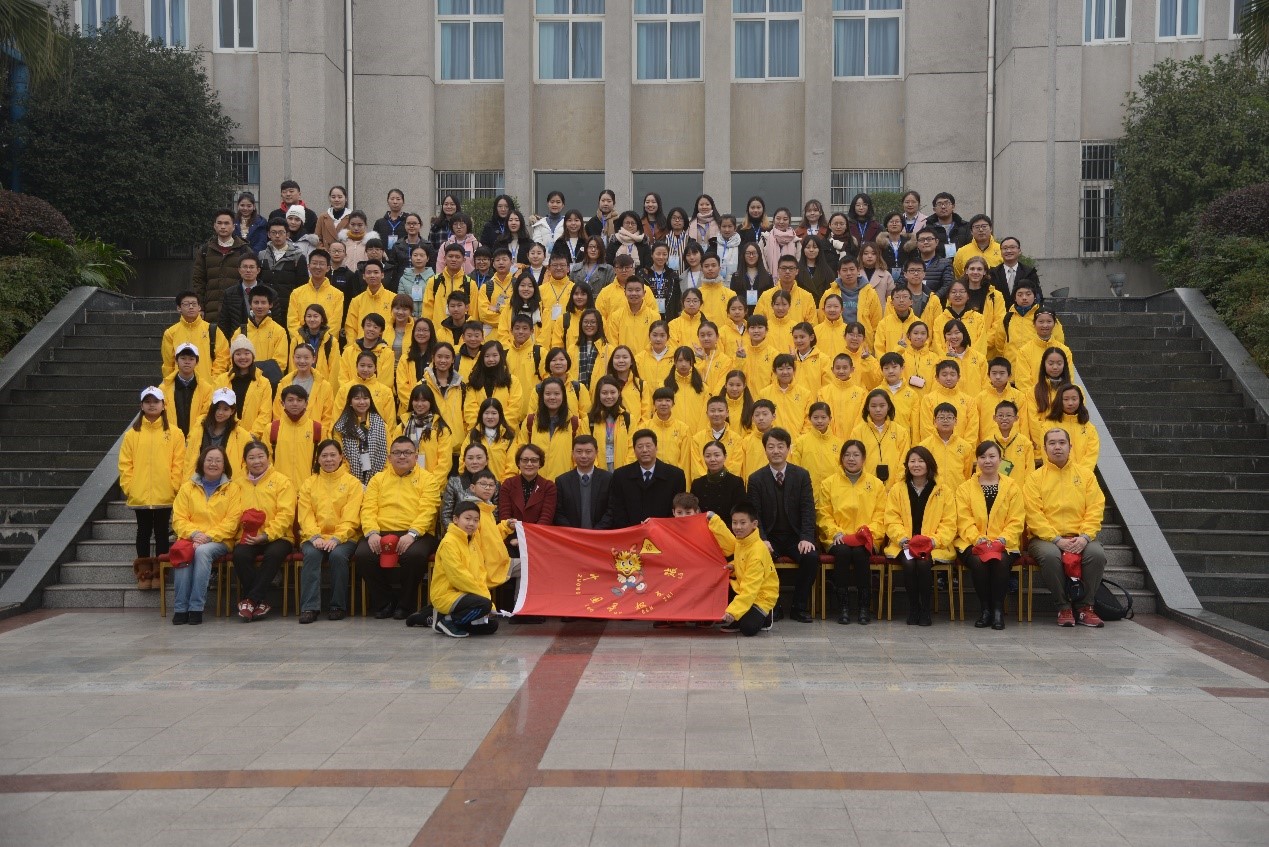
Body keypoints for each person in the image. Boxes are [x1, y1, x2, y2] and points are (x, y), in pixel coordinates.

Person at [1024, 428, 1108, 628]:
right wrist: (1056, 539)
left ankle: (1085, 607)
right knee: (1050, 556)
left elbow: (1095, 508)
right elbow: (1033, 514)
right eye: (1052, 443)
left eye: (1062, 443)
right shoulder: (1035, 478)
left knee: (1096, 554)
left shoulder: (1086, 476)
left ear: (1070, 446)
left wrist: (1085, 536)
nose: (1057, 447)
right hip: (1044, 539)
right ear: (1045, 448)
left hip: (1079, 535)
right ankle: (1063, 607)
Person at [356, 436, 442, 620]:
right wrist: (372, 533)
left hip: (417, 533)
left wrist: (412, 534)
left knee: (414, 556)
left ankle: (405, 604)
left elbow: (428, 510)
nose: (402, 456)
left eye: (407, 452)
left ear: (416, 456)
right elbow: (368, 508)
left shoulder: (429, 480)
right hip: (381, 531)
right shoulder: (377, 479)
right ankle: (384, 602)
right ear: (389, 457)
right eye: (397, 453)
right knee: (363, 554)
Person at [745, 427, 819, 622]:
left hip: (795, 536)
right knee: (760, 556)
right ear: (765, 450)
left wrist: (806, 537)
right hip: (770, 537)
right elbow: (755, 515)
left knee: (811, 557)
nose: (776, 451)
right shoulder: (756, 479)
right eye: (771, 447)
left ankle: (798, 607)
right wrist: (762, 539)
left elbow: (808, 509)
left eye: (780, 446)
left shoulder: (801, 475)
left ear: (788, 449)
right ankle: (774, 606)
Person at [120, 387, 186, 591]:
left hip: (164, 492)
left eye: (155, 401)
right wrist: (130, 488)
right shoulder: (132, 434)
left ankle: (160, 572)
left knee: (162, 532)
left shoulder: (175, 433)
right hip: (140, 494)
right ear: (141, 405)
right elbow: (125, 464)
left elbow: (179, 463)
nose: (151, 405)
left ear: (163, 405)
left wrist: (173, 486)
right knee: (143, 532)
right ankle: (143, 573)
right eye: (147, 402)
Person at [883, 446, 957, 626]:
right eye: (912, 461)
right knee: (909, 564)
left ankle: (925, 610)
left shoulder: (943, 490)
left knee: (923, 564)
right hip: (905, 544)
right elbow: (891, 519)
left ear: (929, 464)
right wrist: (902, 539)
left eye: (921, 461)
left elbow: (949, 523)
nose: (916, 465)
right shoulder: (897, 489)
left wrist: (933, 541)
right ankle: (913, 608)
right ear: (907, 465)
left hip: (933, 545)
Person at [956, 441, 1026, 631]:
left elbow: (1016, 519)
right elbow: (963, 519)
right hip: (972, 542)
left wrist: (1002, 539)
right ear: (977, 460)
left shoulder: (1012, 487)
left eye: (992, 456)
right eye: (983, 457)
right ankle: (985, 609)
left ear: (1000, 460)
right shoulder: (965, 488)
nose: (987, 461)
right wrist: (977, 538)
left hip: (1004, 543)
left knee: (1000, 561)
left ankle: (997, 610)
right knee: (979, 562)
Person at [170, 445, 242, 625]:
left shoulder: (233, 489)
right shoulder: (187, 488)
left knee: (202, 552)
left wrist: (207, 537)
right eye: (209, 460)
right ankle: (180, 608)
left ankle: (196, 608)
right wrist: (195, 534)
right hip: (190, 538)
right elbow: (178, 519)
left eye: (218, 460)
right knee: (183, 554)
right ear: (202, 463)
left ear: (224, 465)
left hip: (220, 540)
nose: (213, 464)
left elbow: (232, 521)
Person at [817, 440, 886, 624]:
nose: (851, 459)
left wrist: (867, 533)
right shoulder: (828, 483)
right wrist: (835, 533)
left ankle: (864, 607)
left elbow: (881, 515)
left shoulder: (876, 484)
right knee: (843, 552)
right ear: (841, 458)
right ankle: (844, 607)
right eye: (847, 455)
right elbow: (823, 514)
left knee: (861, 553)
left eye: (856, 455)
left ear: (864, 458)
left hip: (866, 538)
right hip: (837, 538)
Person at [297, 439, 362, 623]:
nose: (329, 459)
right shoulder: (309, 483)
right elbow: (305, 515)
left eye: (333, 455)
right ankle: (309, 607)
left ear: (341, 457)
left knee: (338, 556)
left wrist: (337, 538)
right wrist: (314, 536)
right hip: (314, 537)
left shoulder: (352, 483)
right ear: (318, 459)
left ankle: (337, 606)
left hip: (345, 538)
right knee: (311, 554)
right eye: (324, 456)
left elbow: (351, 517)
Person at [231, 441, 297, 622]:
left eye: (260, 456)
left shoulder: (282, 481)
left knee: (274, 554)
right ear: (245, 461)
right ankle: (260, 602)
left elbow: (286, 514)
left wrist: (266, 535)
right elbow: (232, 512)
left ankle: (251, 600)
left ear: (268, 458)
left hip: (279, 536)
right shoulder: (237, 484)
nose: (257, 461)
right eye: (251, 458)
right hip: (248, 536)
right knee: (240, 555)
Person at [427, 501, 504, 638]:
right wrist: (486, 600)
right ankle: (447, 621)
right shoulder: (449, 543)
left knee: (492, 625)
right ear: (456, 519)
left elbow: (480, 573)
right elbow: (458, 577)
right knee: (484, 605)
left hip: (466, 593)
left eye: (476, 520)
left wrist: (487, 600)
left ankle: (441, 619)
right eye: (467, 519)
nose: (471, 523)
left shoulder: (472, 541)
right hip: (446, 594)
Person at [600, 429, 687, 528]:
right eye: (640, 446)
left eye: (648, 446)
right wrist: (634, 530)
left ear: (656, 447)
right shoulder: (620, 475)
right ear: (634, 450)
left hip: (664, 532)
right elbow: (617, 510)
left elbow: (678, 510)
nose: (644, 450)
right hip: (631, 533)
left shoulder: (675, 476)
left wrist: (659, 528)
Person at [719, 501, 780, 636]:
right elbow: (743, 561)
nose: (738, 527)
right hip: (745, 589)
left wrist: (733, 612)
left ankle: (766, 616)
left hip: (761, 596)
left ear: (754, 524)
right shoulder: (741, 541)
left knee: (748, 629)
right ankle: (741, 615)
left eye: (743, 523)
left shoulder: (757, 551)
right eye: (734, 522)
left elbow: (751, 588)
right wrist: (733, 566)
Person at [191, 209, 254, 326]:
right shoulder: (205, 250)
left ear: (233, 226)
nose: (223, 227)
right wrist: (200, 306)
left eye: (226, 223)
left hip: (238, 309)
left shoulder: (244, 250)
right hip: (211, 309)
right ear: (214, 226)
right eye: (219, 223)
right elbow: (198, 280)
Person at [498, 444, 557, 557]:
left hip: (538, 541)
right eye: (525, 460)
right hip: (511, 541)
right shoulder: (508, 484)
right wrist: (513, 538)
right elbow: (505, 516)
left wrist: (529, 539)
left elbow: (546, 518)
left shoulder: (548, 486)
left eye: (534, 460)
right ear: (518, 463)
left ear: (540, 463)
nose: (529, 464)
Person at [162, 291, 230, 384]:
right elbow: (168, 364)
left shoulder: (212, 330)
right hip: (180, 385)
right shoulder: (171, 333)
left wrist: (214, 379)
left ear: (199, 307)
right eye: (186, 304)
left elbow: (223, 357)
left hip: (208, 385)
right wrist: (170, 383)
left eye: (194, 304)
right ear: (179, 308)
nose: (191, 307)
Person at [184, 388, 252, 479]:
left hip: (228, 484)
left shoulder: (243, 436)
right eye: (217, 408)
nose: (220, 413)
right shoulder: (198, 429)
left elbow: (246, 465)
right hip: (198, 480)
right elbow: (187, 458)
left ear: (232, 411)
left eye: (225, 409)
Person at [214, 336, 273, 439]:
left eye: (246, 353)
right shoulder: (221, 380)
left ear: (253, 356)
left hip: (253, 439)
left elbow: (265, 414)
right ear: (232, 357)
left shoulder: (264, 383)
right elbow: (213, 407)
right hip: (224, 436)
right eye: (238, 354)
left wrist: (252, 435)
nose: (242, 357)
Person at [853, 388, 911, 490]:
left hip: (894, 488)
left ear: (889, 407)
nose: (878, 409)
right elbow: (855, 460)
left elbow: (904, 460)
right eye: (873, 406)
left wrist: (897, 486)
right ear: (867, 407)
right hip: (866, 488)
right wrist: (865, 483)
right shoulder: (858, 432)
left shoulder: (901, 432)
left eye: (882, 405)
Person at [230, 283, 288, 381]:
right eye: (256, 302)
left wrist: (258, 376)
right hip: (245, 381)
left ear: (270, 305)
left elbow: (280, 363)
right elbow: (232, 360)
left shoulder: (279, 331)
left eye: (263, 302)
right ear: (250, 304)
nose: (259, 306)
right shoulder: (240, 331)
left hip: (269, 382)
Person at [553, 435, 612, 529]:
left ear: (596, 452)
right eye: (579, 451)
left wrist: (596, 532)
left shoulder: (608, 479)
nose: (583, 456)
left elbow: (611, 510)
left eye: (588, 452)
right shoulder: (562, 481)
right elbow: (558, 513)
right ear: (573, 453)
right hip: (571, 535)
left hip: (601, 534)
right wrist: (574, 533)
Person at [257, 220, 309, 326]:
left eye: (281, 232)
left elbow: (302, 285)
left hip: (288, 309)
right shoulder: (262, 255)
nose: (277, 236)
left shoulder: (298, 257)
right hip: (265, 308)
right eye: (273, 232)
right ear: (268, 234)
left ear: (287, 235)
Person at [286, 249, 345, 340]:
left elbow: (335, 324)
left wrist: (321, 341)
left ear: (328, 268)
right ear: (308, 266)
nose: (318, 267)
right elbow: (292, 321)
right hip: (301, 344)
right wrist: (302, 340)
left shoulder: (338, 294)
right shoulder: (296, 293)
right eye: (314, 263)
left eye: (321, 264)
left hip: (327, 343)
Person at [269, 384, 321, 486]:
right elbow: (267, 462)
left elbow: (321, 462)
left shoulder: (317, 428)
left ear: (306, 403)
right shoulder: (272, 428)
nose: (295, 403)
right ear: (282, 403)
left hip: (308, 488)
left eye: (299, 400)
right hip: (279, 488)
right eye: (290, 400)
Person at [162, 343, 213, 437]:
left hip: (196, 438)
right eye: (183, 358)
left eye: (191, 359)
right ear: (176, 361)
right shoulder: (163, 389)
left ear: (197, 362)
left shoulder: (206, 389)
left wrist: (194, 436)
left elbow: (206, 415)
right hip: (170, 438)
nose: (187, 362)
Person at [1047, 383, 1100, 471]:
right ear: (1059, 400)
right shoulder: (1048, 425)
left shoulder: (1089, 428)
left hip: (1083, 475)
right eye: (1066, 399)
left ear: (1080, 400)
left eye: (1074, 399)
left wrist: (1079, 474)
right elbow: (1047, 454)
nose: (1070, 403)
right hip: (1057, 474)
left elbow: (1092, 454)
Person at [690, 439, 746, 519]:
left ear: (725, 457)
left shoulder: (736, 483)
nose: (712, 459)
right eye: (708, 456)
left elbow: (740, 512)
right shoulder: (697, 484)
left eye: (717, 455)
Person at [989, 236, 1040, 301]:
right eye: (1005, 248)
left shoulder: (1029, 272)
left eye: (1012, 247)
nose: (1008, 251)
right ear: (1001, 252)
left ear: (1019, 251)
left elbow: (1037, 296)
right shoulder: (993, 273)